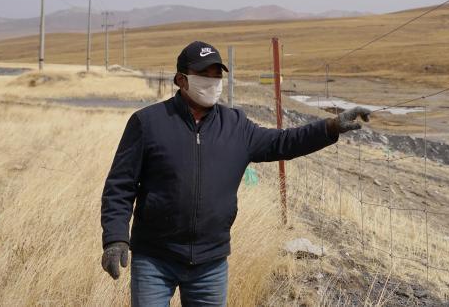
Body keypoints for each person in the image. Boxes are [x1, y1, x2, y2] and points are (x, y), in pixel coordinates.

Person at [100, 41, 370, 307]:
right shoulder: (148, 123)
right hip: (154, 259)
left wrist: (331, 127)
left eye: (217, 75)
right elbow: (120, 185)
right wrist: (115, 238)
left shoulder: (236, 126)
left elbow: (284, 142)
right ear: (181, 80)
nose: (213, 82)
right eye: (204, 75)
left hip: (210, 264)